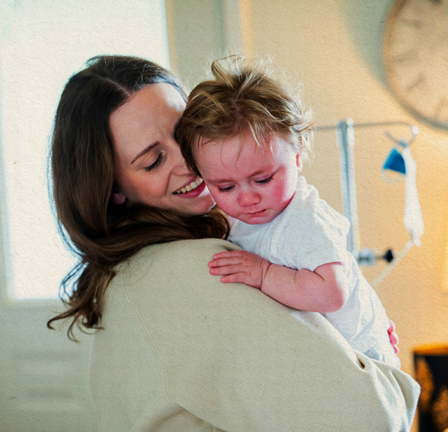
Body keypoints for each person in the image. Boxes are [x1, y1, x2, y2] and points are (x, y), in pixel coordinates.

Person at [48, 54, 419, 431]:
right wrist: (385, 373)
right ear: (112, 188)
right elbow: (373, 419)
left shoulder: (126, 274)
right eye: (154, 160)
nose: (190, 163)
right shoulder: (199, 269)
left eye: (185, 135)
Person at [177, 56, 400, 368]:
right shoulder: (230, 219)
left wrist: (264, 273)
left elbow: (332, 293)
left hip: (365, 355)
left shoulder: (305, 220)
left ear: (298, 153)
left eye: (263, 179)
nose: (248, 198)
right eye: (225, 187)